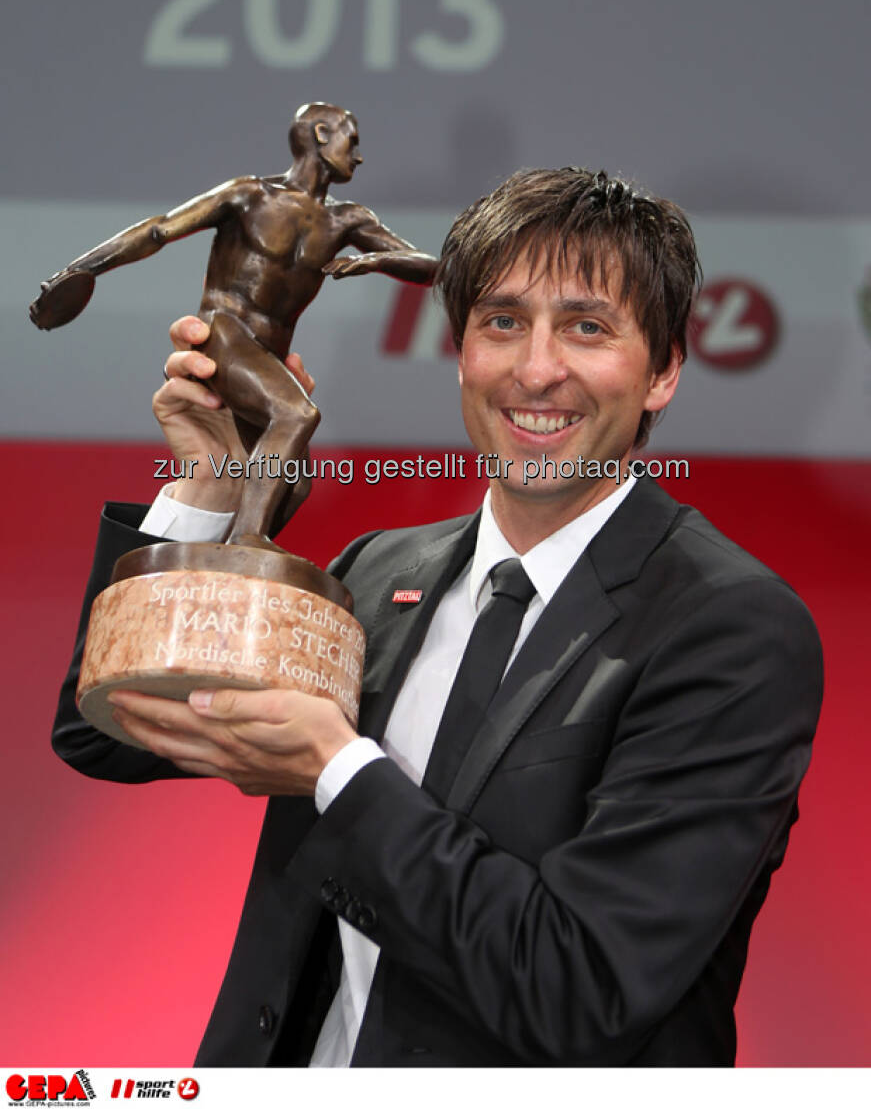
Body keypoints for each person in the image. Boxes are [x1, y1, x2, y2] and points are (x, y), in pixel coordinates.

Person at [52, 167, 823, 1067]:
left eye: (585, 327)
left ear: (662, 373)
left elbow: (581, 990)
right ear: (459, 351)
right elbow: (103, 731)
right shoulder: (378, 573)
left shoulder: (731, 630)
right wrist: (212, 485)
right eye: (502, 323)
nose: (537, 370)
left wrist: (338, 771)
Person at [30, 102, 437, 542]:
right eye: (351, 141)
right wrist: (78, 271)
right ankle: (247, 540)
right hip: (224, 336)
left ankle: (228, 562)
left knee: (296, 485)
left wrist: (377, 260)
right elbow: (159, 230)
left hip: (268, 356)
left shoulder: (347, 220)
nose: (358, 156)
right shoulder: (250, 194)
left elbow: (430, 265)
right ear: (321, 134)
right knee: (297, 415)